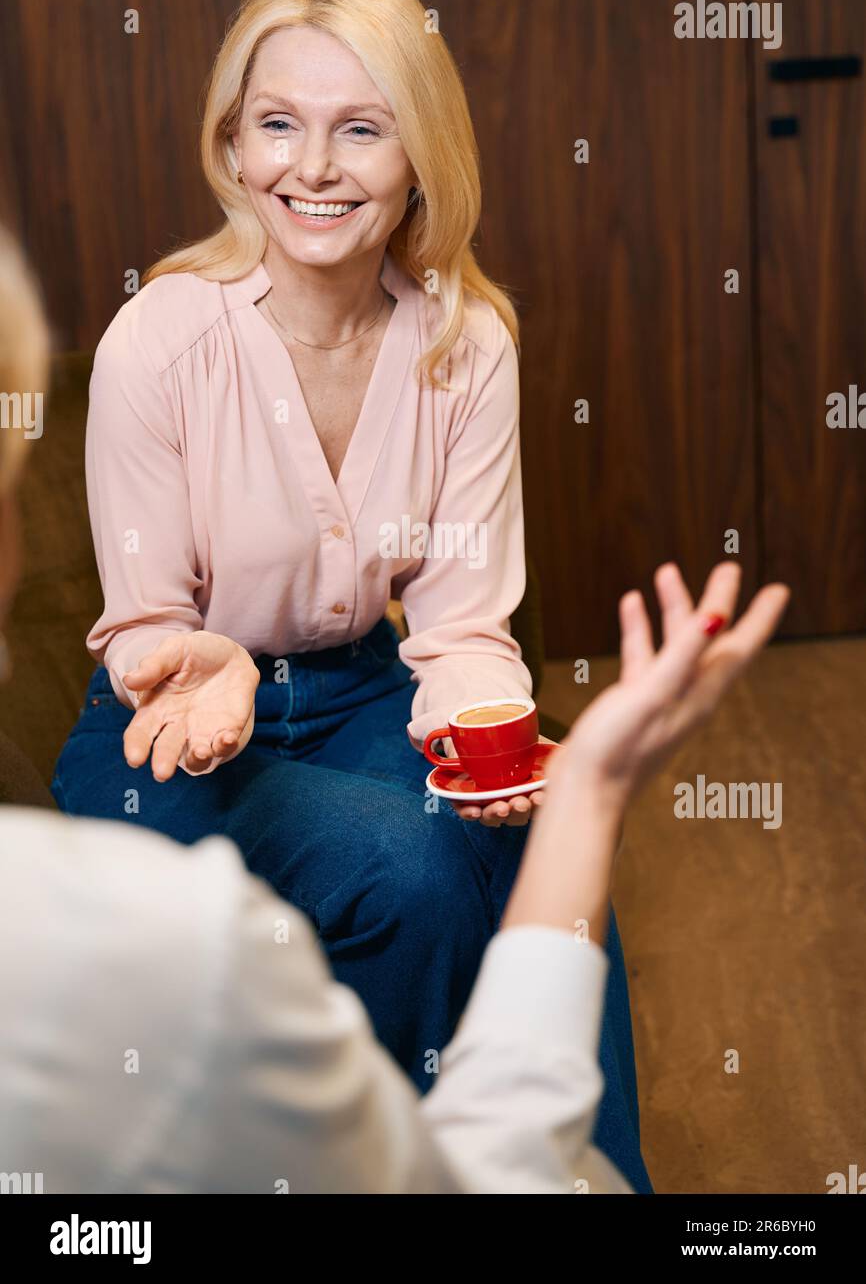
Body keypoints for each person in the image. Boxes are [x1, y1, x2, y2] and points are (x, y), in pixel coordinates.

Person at [0, 222, 790, 1191]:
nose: (316, 164)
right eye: (279, 124)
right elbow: (142, 622)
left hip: (371, 678)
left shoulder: (467, 339)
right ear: (234, 147)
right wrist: (193, 666)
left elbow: (461, 617)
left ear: (416, 155)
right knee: (410, 866)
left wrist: (491, 743)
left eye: (361, 128)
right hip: (163, 716)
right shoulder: (156, 334)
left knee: (512, 839)